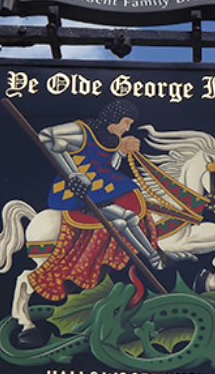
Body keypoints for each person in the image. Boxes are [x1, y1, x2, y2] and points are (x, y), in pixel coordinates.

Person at [28, 101, 161, 302]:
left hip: (101, 187)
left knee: (129, 216)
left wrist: (121, 152)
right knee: (125, 218)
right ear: (115, 117)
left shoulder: (112, 139)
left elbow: (108, 166)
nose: (127, 128)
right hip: (76, 191)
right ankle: (152, 256)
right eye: (126, 122)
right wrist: (72, 173)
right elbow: (46, 135)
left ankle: (151, 256)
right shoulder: (83, 131)